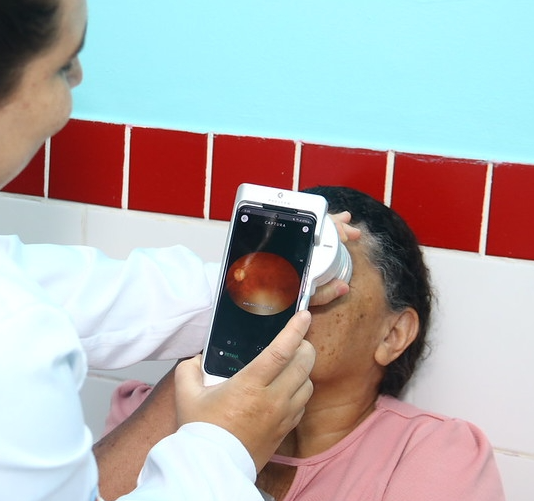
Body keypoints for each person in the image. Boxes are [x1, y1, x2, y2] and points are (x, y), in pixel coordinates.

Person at [0, 1, 357, 500]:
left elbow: (50, 286)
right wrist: (223, 448)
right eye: (63, 66)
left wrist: (257, 279)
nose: (79, 78)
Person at [97, 186, 506, 501]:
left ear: (392, 334)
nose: (292, 291)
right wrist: (219, 343)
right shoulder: (154, 408)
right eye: (285, 267)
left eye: (328, 274)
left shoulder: (432, 453)